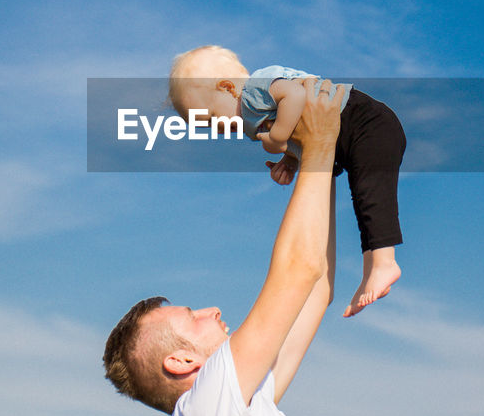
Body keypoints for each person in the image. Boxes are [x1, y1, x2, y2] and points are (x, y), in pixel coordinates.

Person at [103, 77, 357, 416]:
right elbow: (298, 271)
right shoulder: (202, 411)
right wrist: (320, 143)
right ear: (180, 362)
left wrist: (316, 166)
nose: (212, 309)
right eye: (190, 315)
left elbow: (316, 286)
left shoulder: (242, 408)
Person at [168, 45, 405, 317]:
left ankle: (385, 263)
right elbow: (299, 132)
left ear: (225, 87)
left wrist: (278, 137)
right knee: (362, 200)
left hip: (364, 122)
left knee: (372, 195)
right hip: (347, 138)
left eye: (211, 117)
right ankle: (371, 269)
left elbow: (294, 95)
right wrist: (290, 161)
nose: (216, 128)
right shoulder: (253, 117)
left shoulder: (255, 89)